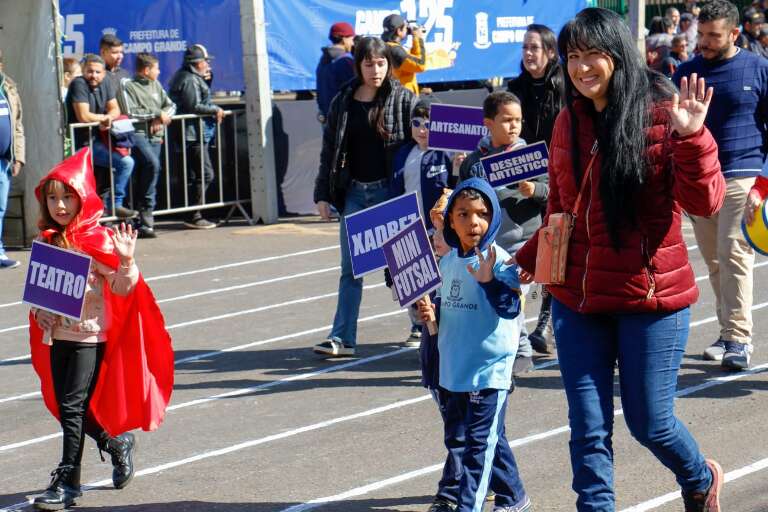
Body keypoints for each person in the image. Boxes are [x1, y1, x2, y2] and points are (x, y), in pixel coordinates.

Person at [515, 7, 726, 510]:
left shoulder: (664, 114)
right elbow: (562, 208)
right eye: (572, 57)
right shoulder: (568, 120)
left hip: (649, 298)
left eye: (593, 55)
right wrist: (521, 261)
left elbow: (706, 203)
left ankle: (698, 478)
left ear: (616, 55)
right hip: (578, 299)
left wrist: (692, 138)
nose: (582, 67)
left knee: (650, 422)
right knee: (587, 427)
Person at [29, 148, 174, 510]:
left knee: (72, 407)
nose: (60, 205)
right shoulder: (48, 239)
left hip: (90, 337)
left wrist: (126, 260)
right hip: (59, 337)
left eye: (67, 197)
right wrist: (40, 314)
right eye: (53, 198)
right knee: (68, 409)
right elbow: (42, 298)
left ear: (83, 198)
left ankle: (67, 483)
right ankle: (115, 443)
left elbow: (124, 290)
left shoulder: (98, 240)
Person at [417, 178, 531, 512]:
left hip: (488, 371)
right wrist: (431, 316)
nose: (473, 222)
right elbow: (451, 310)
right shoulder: (449, 260)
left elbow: (511, 308)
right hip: (455, 370)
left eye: (481, 214)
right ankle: (514, 497)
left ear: (493, 217)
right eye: (463, 214)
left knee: (478, 450)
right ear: (451, 220)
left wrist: (490, 283)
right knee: (474, 441)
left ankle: (468, 506)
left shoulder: (500, 260)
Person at [673, 0, 768, 371]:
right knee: (714, 261)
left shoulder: (758, 69)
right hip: (700, 180)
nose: (705, 43)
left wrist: (763, 183)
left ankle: (740, 339)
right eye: (702, 34)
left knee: (734, 252)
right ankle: (728, 332)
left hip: (742, 175)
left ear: (734, 34)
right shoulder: (686, 72)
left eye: (714, 36)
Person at [313, 36, 415, 357]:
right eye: (369, 63)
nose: (376, 70)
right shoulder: (342, 101)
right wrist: (322, 195)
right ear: (358, 65)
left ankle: (422, 325)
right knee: (351, 270)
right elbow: (329, 151)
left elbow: (429, 128)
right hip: (355, 193)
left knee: (406, 263)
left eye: (381, 63)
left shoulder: (402, 99)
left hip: (390, 193)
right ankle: (343, 338)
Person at [459, 91, 546, 376]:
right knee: (492, 298)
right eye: (507, 120)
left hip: (525, 241)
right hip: (489, 244)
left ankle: (521, 349)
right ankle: (500, 349)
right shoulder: (474, 161)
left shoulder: (530, 157)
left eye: (518, 120)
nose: (514, 126)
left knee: (512, 294)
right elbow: (462, 197)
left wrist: (535, 190)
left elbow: (554, 192)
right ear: (488, 123)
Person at [507, 23, 565, 355]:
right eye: (525, 48)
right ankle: (528, 321)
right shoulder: (514, 89)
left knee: (554, 252)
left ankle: (546, 321)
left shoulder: (566, 88)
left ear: (550, 52)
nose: (528, 54)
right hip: (522, 182)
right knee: (534, 255)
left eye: (535, 48)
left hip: (558, 177)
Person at [389, 96, 454, 347]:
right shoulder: (403, 154)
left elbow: (455, 188)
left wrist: (458, 168)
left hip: (437, 228)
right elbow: (395, 192)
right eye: (417, 123)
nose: (423, 129)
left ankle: (441, 322)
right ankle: (417, 323)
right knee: (412, 277)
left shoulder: (446, 154)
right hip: (409, 225)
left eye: (429, 123)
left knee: (440, 278)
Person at [65, 53, 136, 219]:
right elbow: (83, 116)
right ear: (83, 71)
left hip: (98, 142)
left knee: (125, 163)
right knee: (84, 186)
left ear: (104, 73)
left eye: (98, 72)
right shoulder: (78, 84)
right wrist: (103, 118)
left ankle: (115, 205)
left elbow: (115, 109)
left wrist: (109, 117)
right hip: (79, 145)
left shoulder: (106, 83)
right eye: (90, 71)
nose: (93, 75)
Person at [168, 43, 224, 229]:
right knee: (205, 174)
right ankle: (195, 214)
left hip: (195, 133)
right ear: (197, 63)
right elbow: (193, 106)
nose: (208, 65)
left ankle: (193, 214)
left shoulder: (192, 77)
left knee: (196, 174)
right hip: (192, 134)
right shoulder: (189, 79)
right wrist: (215, 109)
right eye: (205, 62)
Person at [121, 52, 176, 238]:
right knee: (152, 165)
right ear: (146, 70)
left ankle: (145, 221)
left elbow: (171, 106)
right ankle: (139, 215)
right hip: (138, 135)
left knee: (150, 173)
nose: (159, 72)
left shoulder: (156, 85)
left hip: (155, 137)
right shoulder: (129, 86)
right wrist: (156, 114)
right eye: (156, 68)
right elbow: (131, 112)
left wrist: (161, 115)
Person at [0, 49, 24, 270]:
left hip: (4, 161)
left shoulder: (9, 88)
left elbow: (17, 126)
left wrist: (18, 157)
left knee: (0, 207)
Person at [316, 22, 356, 124]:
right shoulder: (345, 61)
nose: (353, 43)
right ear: (344, 39)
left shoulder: (323, 59)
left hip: (327, 117)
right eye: (351, 39)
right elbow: (353, 91)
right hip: (343, 119)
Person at [381, 14, 427, 95]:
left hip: (397, 93)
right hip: (402, 97)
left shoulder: (386, 46)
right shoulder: (395, 50)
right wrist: (418, 38)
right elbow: (420, 65)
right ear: (399, 31)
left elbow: (411, 63)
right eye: (405, 28)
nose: (408, 30)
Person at [99, 34, 130, 108]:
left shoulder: (124, 74)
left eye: (121, 52)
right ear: (103, 52)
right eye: (115, 52)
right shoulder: (96, 75)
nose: (120, 56)